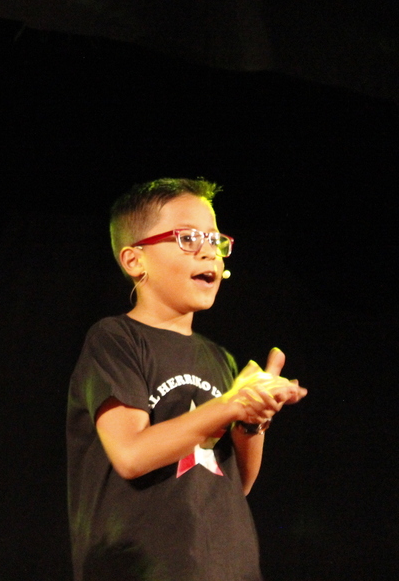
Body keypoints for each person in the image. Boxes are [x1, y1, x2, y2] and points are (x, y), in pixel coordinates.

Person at [66, 178, 306, 581]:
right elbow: (131, 455)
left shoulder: (218, 357)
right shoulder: (116, 339)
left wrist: (252, 419)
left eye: (215, 239)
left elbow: (238, 484)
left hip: (228, 568)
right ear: (134, 261)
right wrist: (229, 405)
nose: (209, 251)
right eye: (188, 238)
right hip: (143, 567)